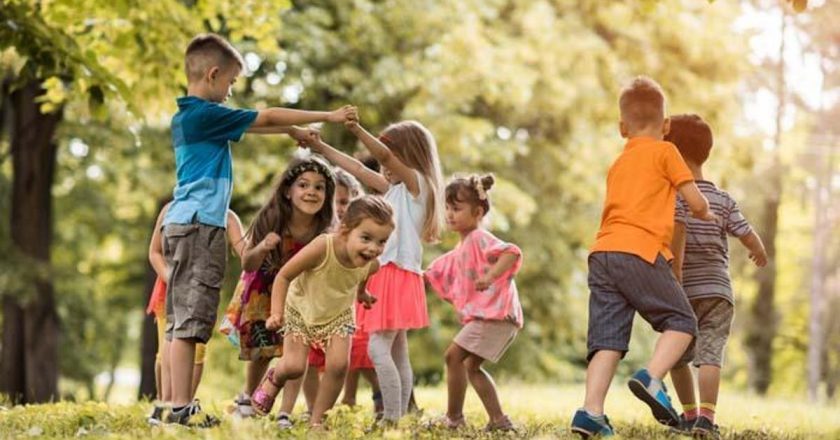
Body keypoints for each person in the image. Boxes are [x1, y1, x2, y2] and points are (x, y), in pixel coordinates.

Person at [162, 32, 355, 425]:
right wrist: (328, 117)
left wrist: (291, 133)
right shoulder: (204, 114)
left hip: (184, 224)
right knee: (191, 323)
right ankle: (179, 408)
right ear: (213, 74)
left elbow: (260, 125)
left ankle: (171, 405)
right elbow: (264, 117)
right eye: (231, 82)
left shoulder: (188, 117)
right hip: (200, 227)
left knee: (181, 321)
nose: (232, 91)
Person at [570, 76, 715, 438]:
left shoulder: (618, 163)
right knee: (682, 323)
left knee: (607, 339)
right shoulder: (667, 152)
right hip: (641, 251)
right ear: (666, 126)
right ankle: (652, 377)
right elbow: (695, 201)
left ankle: (591, 412)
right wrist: (706, 211)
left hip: (603, 253)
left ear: (622, 128)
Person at [305, 120, 444, 424]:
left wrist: (355, 128)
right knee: (397, 353)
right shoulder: (394, 190)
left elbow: (384, 157)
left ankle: (390, 418)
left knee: (377, 347)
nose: (383, 166)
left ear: (408, 155)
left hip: (396, 274)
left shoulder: (417, 185)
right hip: (388, 274)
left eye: (390, 157)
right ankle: (401, 416)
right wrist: (320, 148)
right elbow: (357, 168)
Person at [251, 196, 396, 428]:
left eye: (381, 242)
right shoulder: (323, 246)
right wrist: (276, 313)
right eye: (366, 238)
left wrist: (362, 294)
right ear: (345, 231)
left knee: (339, 365)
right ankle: (274, 376)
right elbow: (284, 275)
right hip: (301, 309)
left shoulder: (372, 263)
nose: (373, 248)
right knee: (295, 366)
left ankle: (318, 421)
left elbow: (364, 275)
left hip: (338, 315)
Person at [666, 114, 768, 439]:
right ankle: (706, 419)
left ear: (674, 154)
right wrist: (759, 251)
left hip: (682, 290)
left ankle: (690, 414)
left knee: (676, 357)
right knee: (711, 354)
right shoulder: (722, 199)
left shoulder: (673, 196)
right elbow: (747, 233)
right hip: (718, 292)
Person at [219, 155, 335, 421]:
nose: (311, 192)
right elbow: (248, 263)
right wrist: (262, 246)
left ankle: (285, 411)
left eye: (319, 187)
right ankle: (248, 397)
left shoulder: (325, 228)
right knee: (262, 349)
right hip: (263, 288)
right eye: (303, 185)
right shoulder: (272, 217)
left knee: (296, 352)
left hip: (300, 293)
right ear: (287, 190)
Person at [425, 174, 523, 432]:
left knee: (453, 357)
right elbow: (436, 271)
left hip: (496, 316)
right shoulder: (462, 247)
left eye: (456, 208)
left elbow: (511, 253)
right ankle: (499, 421)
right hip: (496, 318)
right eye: (447, 208)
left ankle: (454, 418)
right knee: (470, 366)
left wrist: (490, 275)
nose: (449, 214)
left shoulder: (479, 238)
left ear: (478, 211)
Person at [146, 203, 245, 425]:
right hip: (169, 293)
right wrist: (173, 279)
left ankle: (184, 406)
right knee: (167, 350)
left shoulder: (226, 215)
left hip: (200, 294)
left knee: (196, 350)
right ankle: (165, 405)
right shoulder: (171, 209)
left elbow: (245, 250)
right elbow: (154, 252)